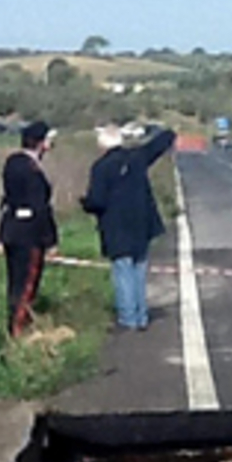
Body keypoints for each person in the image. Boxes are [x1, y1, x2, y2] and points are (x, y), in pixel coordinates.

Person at [81, 123, 177, 330]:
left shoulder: (101, 167)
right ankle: (141, 316)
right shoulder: (137, 157)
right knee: (139, 270)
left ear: (102, 144)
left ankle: (128, 318)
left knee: (123, 270)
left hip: (116, 226)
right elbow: (160, 143)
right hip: (142, 222)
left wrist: (85, 204)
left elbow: (97, 201)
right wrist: (164, 130)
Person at [0, 120, 57, 336]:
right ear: (41, 143)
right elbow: (40, 207)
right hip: (30, 233)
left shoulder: (12, 163)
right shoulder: (32, 170)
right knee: (28, 282)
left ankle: (15, 322)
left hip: (11, 229)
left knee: (15, 281)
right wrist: (50, 240)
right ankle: (19, 330)